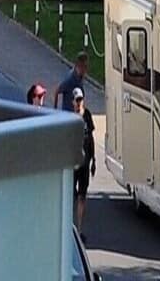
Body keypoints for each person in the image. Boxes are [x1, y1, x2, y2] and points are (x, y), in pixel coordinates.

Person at [71, 85, 95, 231]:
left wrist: (94, 160)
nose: (79, 102)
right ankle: (71, 228)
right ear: (72, 102)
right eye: (77, 100)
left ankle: (79, 229)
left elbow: (91, 138)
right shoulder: (70, 118)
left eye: (81, 99)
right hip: (74, 164)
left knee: (82, 197)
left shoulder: (87, 115)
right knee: (72, 197)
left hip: (85, 164)